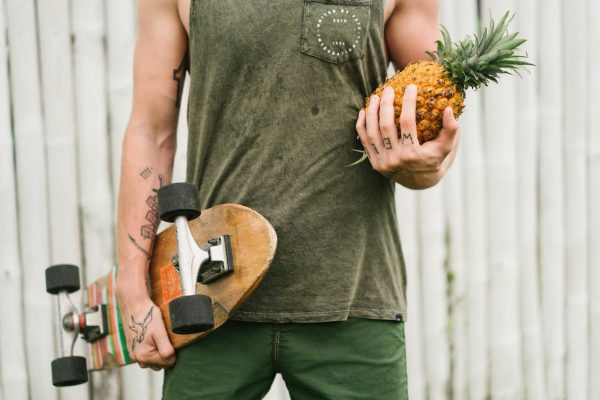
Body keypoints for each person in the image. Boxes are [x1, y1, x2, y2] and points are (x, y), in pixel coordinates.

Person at [115, 0, 459, 398]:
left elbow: (438, 127)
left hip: (355, 299)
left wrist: (424, 166)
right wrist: (131, 283)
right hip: (208, 301)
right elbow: (150, 130)